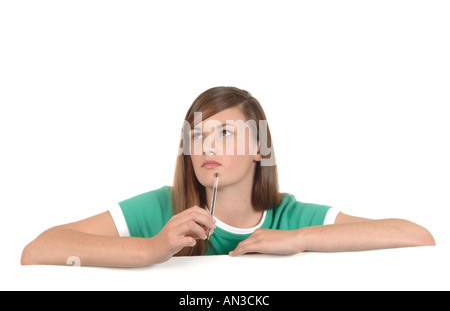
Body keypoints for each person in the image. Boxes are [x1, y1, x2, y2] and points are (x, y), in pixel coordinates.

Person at [21, 86, 435, 267]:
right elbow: (38, 249)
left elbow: (415, 236)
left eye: (224, 133)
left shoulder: (290, 216)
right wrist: (151, 248)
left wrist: (300, 239)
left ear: (259, 148)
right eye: (197, 136)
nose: (208, 148)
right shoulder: (164, 209)